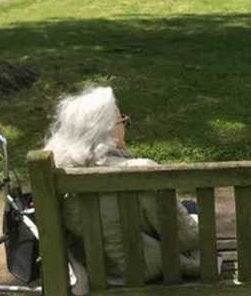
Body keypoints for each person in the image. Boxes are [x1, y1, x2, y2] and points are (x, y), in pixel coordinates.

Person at [44, 86, 200, 283]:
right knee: (192, 211)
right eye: (122, 121)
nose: (125, 126)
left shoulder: (59, 175)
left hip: (96, 271)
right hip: (147, 266)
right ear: (108, 130)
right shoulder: (142, 172)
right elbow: (183, 238)